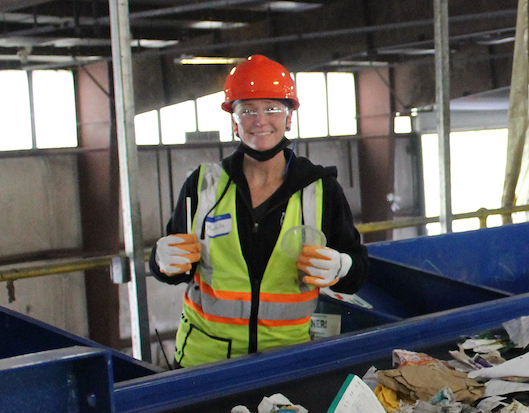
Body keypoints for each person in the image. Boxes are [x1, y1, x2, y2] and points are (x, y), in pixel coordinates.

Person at [150, 54, 369, 368]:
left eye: (272, 108)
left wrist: (342, 267)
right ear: (234, 121)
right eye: (248, 110)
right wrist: (160, 260)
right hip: (204, 364)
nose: (260, 120)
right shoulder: (202, 186)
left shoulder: (321, 190)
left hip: (286, 361)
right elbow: (176, 270)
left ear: (289, 117)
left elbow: (357, 272)